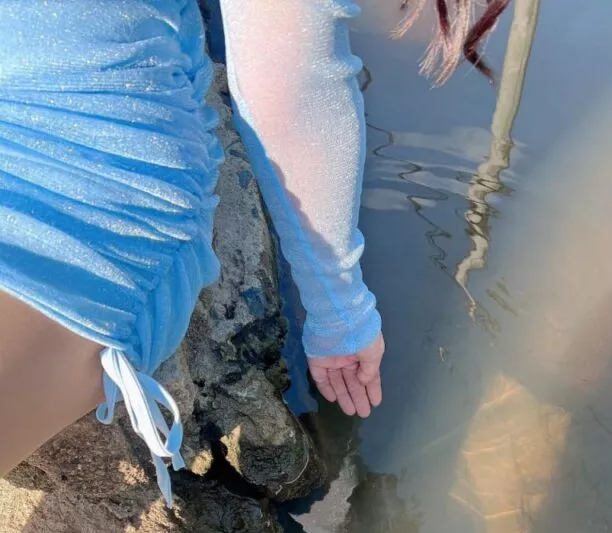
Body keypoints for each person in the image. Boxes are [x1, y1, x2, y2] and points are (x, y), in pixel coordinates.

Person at [0, 0, 508, 504]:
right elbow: (291, 75)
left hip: (70, 185)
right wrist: (341, 311)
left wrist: (339, 311)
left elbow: (291, 80)